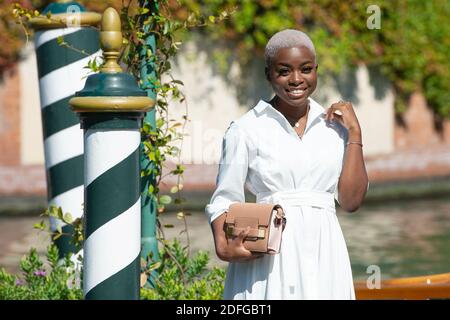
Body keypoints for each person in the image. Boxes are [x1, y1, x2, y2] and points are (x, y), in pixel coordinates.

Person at [205, 29, 369, 300]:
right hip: (270, 258)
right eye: (284, 71)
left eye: (306, 69)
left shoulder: (336, 128)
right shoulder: (245, 129)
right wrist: (224, 247)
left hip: (325, 253)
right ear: (268, 73)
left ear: (316, 70)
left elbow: (351, 202)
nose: (296, 79)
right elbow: (224, 199)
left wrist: (356, 134)